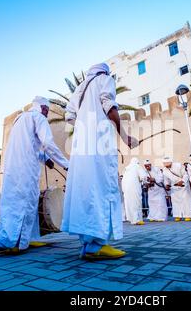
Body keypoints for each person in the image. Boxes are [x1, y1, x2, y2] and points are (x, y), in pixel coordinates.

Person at [62, 63, 138, 261]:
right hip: (98, 144)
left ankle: (88, 244)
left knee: (86, 189)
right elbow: (109, 107)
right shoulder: (105, 79)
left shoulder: (79, 89)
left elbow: (69, 116)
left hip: (81, 146)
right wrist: (124, 136)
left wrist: (84, 125)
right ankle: (97, 246)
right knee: (103, 187)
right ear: (104, 72)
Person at [0, 96, 69, 255]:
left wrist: (46, 159)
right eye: (47, 110)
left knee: (13, 203)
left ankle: (25, 238)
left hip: (12, 170)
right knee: (24, 204)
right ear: (42, 108)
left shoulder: (19, 120)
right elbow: (47, 143)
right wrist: (66, 164)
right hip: (26, 170)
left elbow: (30, 146)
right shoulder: (38, 118)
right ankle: (13, 242)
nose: (47, 114)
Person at [161, 156, 191, 222]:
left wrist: (182, 181)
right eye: (165, 165)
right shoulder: (164, 170)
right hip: (174, 186)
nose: (166, 166)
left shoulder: (178, 165)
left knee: (185, 200)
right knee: (175, 201)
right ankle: (177, 215)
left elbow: (185, 174)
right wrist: (167, 185)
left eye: (168, 165)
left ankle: (187, 216)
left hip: (183, 185)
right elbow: (166, 179)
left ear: (171, 162)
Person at [122, 158, 146, 225]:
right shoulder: (137, 166)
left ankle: (131, 219)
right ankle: (137, 220)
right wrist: (144, 181)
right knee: (136, 203)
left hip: (126, 190)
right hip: (134, 188)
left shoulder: (126, 169)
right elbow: (143, 176)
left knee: (129, 204)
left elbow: (123, 180)